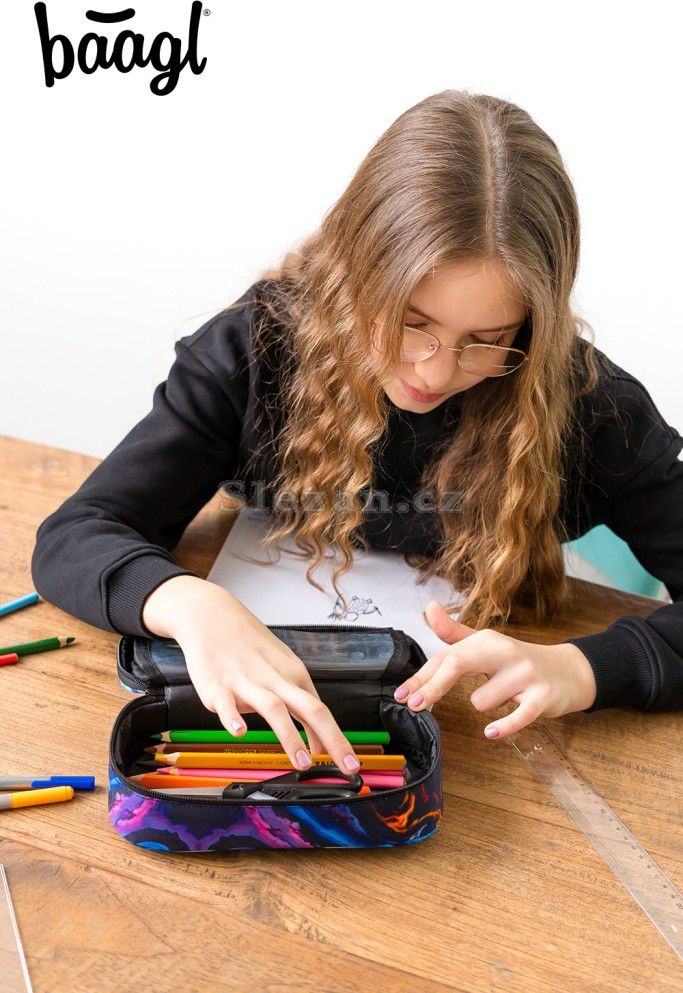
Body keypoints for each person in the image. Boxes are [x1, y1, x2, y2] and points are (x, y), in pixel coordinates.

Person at [31, 89, 683, 776]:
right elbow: (76, 534)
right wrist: (186, 603)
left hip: (485, 747)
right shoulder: (253, 355)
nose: (434, 370)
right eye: (410, 322)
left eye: (488, 340)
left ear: (532, 327)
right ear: (353, 273)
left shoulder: (590, 408)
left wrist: (583, 668)